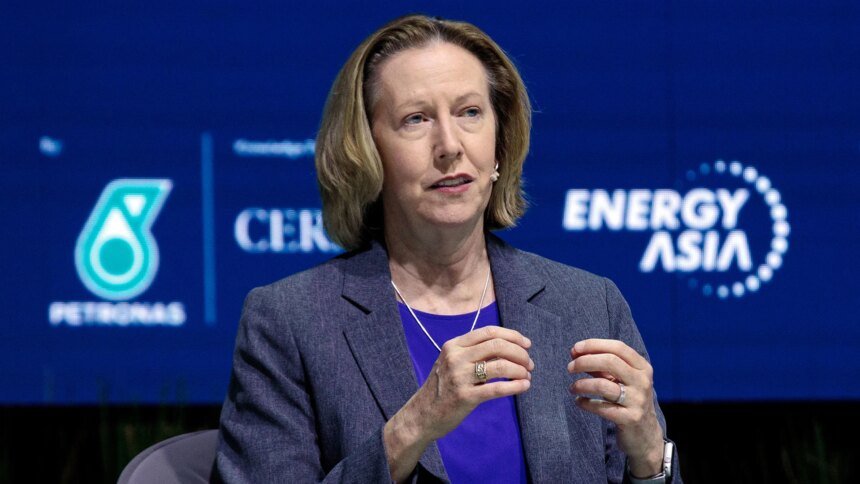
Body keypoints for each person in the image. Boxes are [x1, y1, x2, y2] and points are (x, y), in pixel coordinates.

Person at [215, 14, 681, 483]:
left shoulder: (589, 305)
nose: (449, 145)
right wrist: (413, 427)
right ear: (368, 151)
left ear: (500, 142)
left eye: (469, 112)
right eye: (416, 119)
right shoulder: (290, 321)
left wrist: (649, 458)